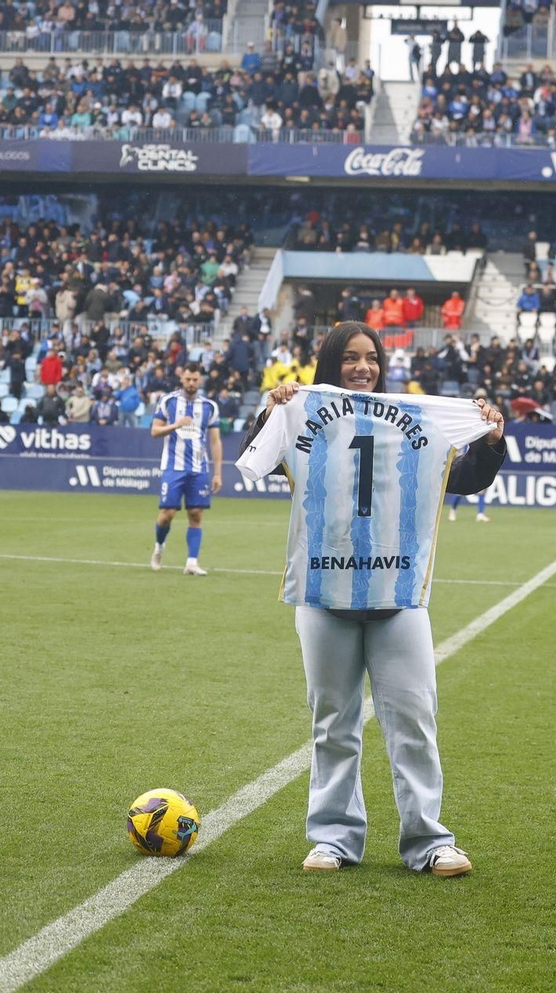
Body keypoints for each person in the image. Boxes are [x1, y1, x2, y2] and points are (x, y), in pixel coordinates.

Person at [235, 322, 505, 877]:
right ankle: (333, 839)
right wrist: (271, 412)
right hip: (323, 593)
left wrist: (489, 438)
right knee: (333, 723)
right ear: (330, 364)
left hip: (398, 593)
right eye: (351, 358)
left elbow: (464, 478)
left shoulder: (414, 417)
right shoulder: (299, 409)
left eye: (373, 358)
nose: (364, 367)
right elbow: (256, 458)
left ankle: (429, 841)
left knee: (414, 719)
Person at [150, 362, 222, 576]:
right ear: (181, 378)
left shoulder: (209, 406)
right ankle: (159, 547)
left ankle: (191, 562)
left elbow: (215, 441)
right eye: (188, 379)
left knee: (196, 513)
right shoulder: (168, 401)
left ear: (200, 380)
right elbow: (155, 431)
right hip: (173, 466)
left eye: (195, 380)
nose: (191, 383)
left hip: (199, 468)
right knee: (167, 514)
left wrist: (217, 473)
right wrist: (175, 425)